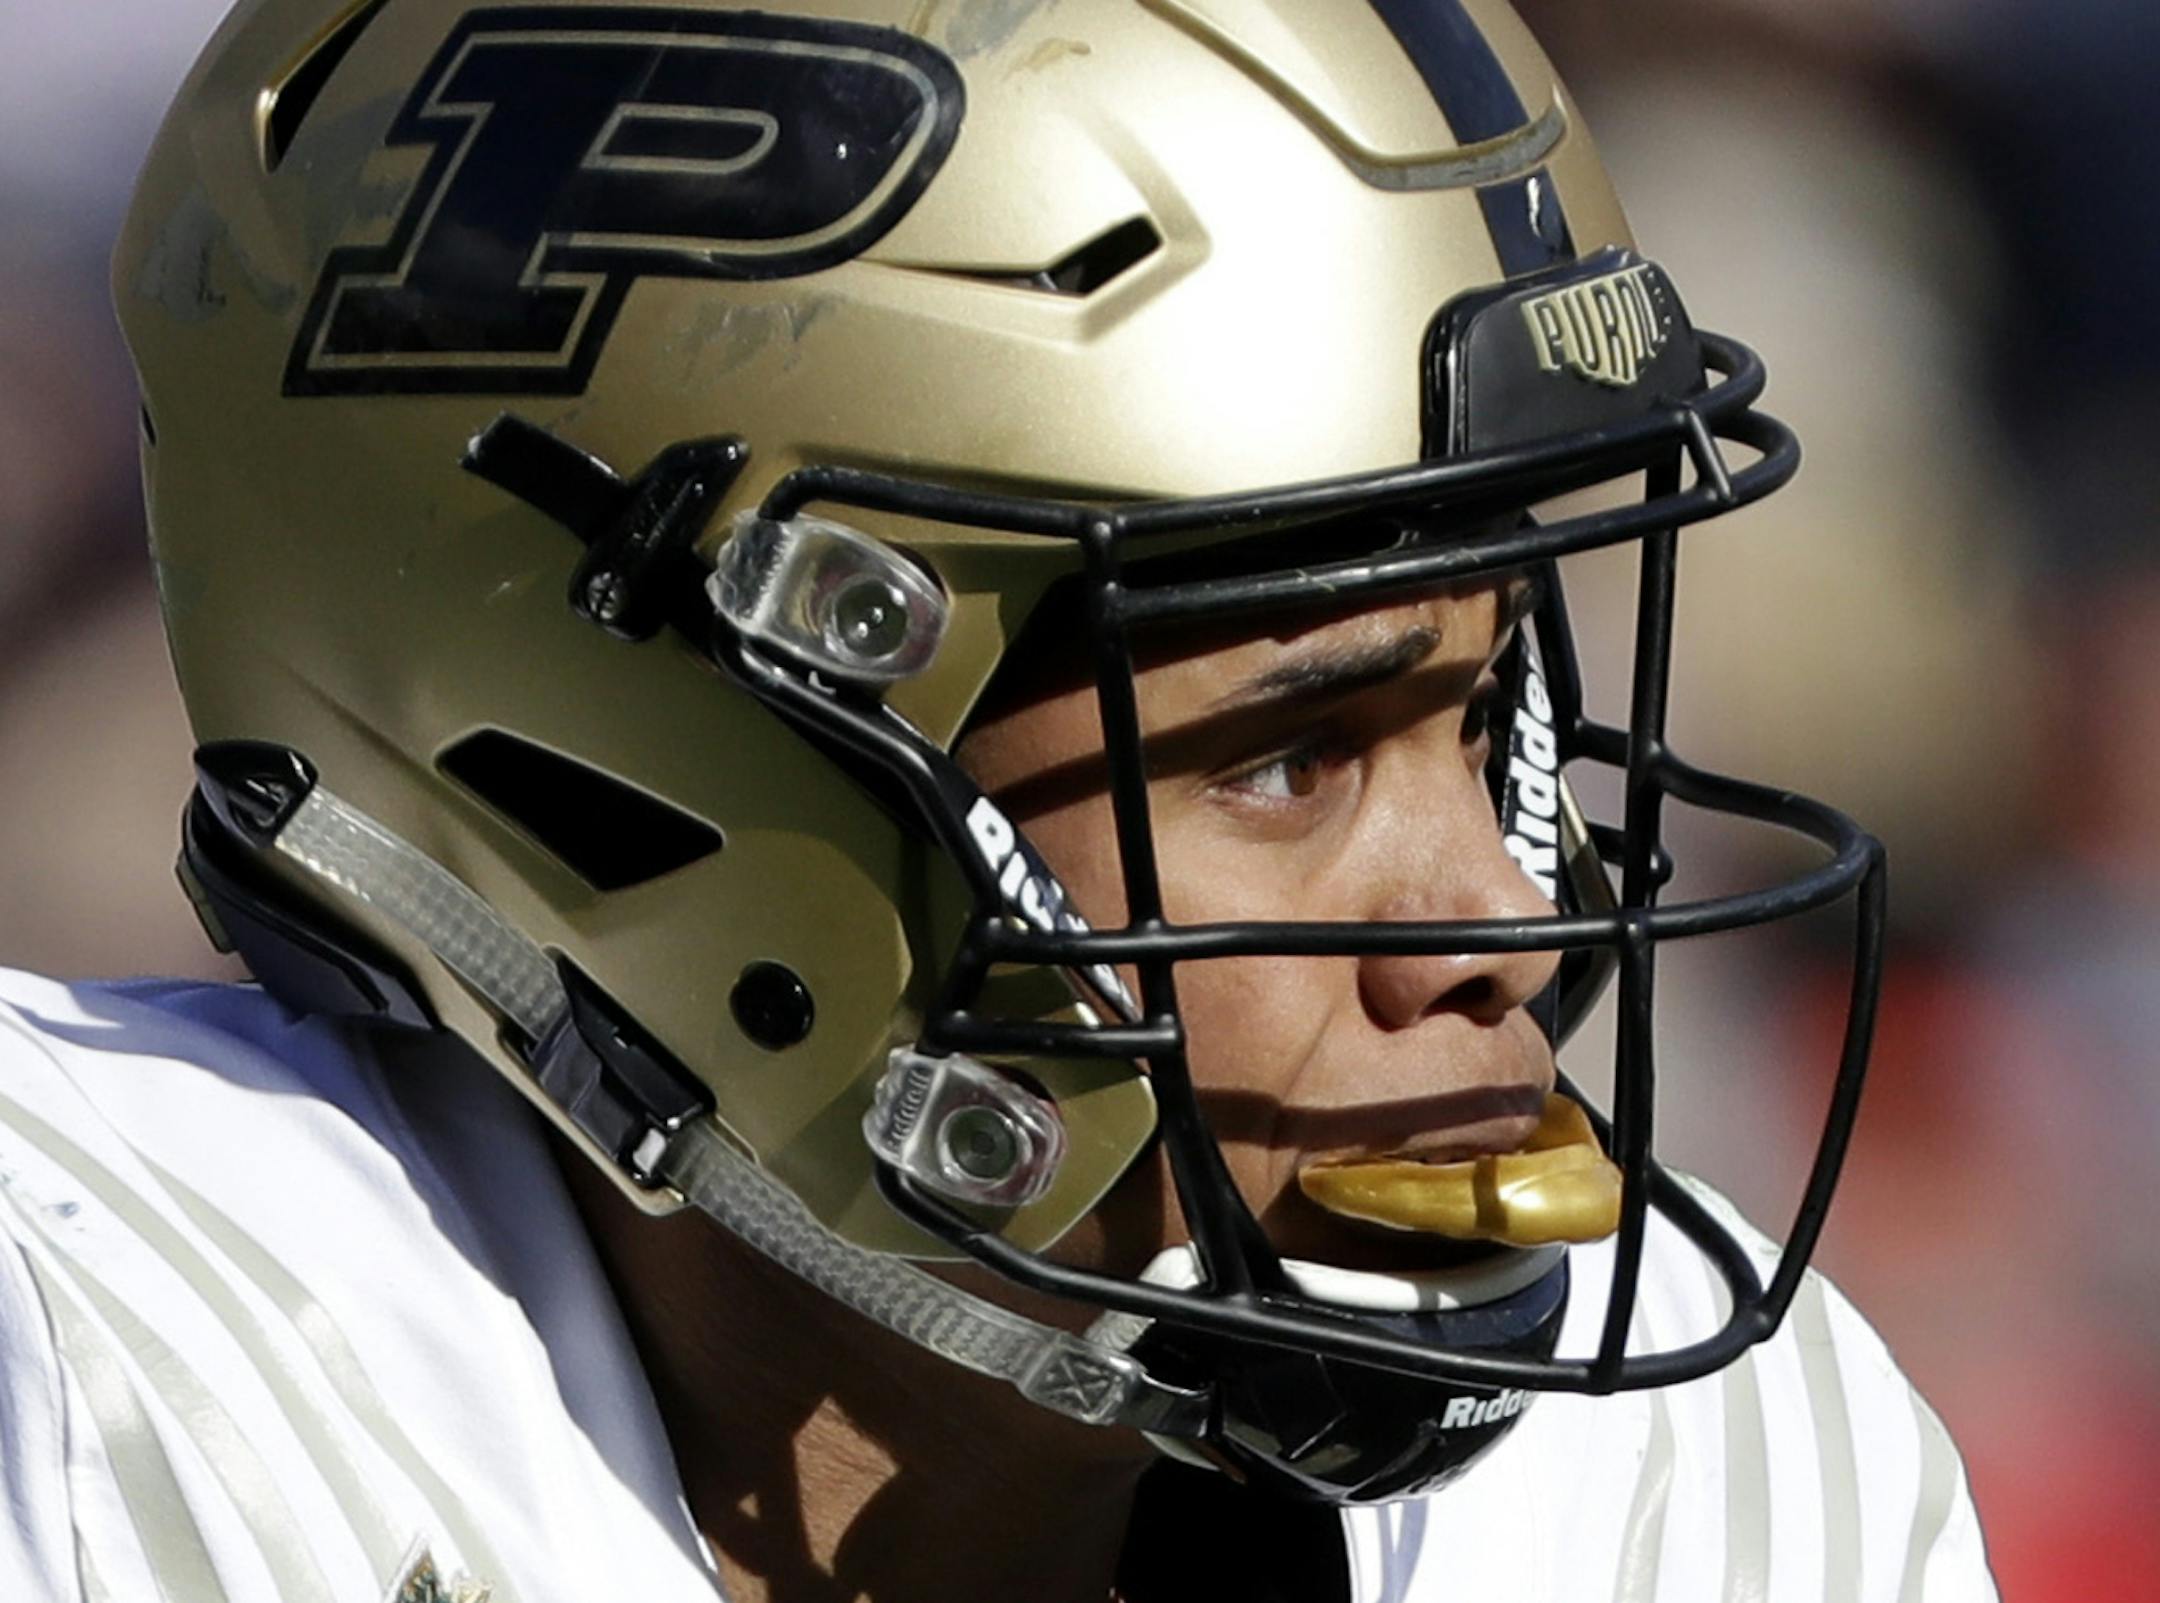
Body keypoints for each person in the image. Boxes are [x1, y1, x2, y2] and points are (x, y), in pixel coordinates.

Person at [0, 0, 1995, 1598]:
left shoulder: (1696, 1492)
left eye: (1492, 729)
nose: (1504, 925)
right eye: (1289, 759)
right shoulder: (102, 1373)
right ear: (641, 785)